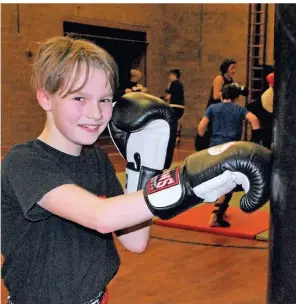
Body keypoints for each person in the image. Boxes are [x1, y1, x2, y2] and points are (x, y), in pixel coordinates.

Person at [1, 36, 271, 304]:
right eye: (80, 98)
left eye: (105, 100)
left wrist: (145, 167)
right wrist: (189, 181)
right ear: (45, 98)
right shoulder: (24, 162)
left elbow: (136, 240)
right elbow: (100, 216)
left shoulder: (96, 160)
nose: (96, 113)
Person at [197, 83, 261, 227]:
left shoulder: (212, 108)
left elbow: (201, 129)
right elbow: (254, 120)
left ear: (221, 95)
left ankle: (220, 208)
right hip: (231, 149)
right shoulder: (239, 108)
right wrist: (255, 140)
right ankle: (216, 216)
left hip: (214, 148)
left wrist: (207, 140)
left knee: (223, 179)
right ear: (236, 97)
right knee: (230, 182)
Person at [162, 69, 185, 143]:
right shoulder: (180, 84)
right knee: (176, 121)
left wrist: (161, 99)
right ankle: (177, 136)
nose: (169, 77)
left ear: (175, 75)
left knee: (170, 121)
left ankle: (172, 137)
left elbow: (168, 96)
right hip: (181, 107)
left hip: (174, 106)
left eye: (170, 75)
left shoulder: (173, 83)